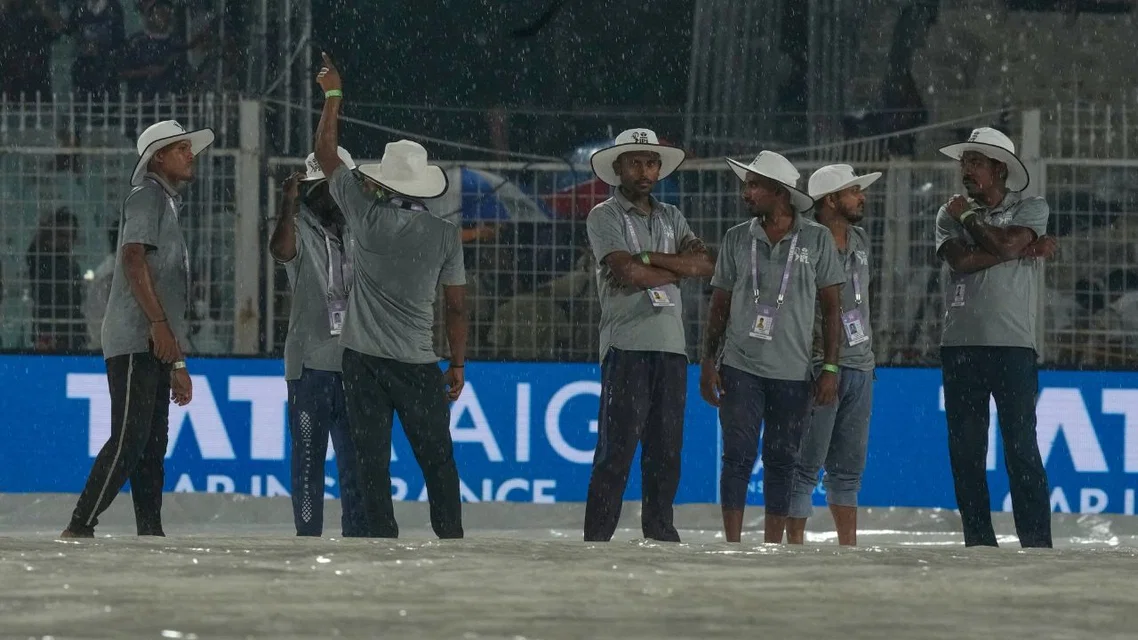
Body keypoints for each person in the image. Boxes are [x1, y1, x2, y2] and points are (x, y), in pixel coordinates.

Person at [313, 53, 467, 539]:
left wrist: (333, 98)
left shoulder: (364, 213)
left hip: (362, 360)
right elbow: (457, 305)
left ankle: (382, 540)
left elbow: (325, 156)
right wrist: (457, 363)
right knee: (437, 460)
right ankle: (450, 538)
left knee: (371, 461)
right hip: (417, 363)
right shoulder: (444, 235)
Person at [60, 119, 212, 538]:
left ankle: (150, 531)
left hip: (152, 338)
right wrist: (160, 327)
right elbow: (132, 259)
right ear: (158, 157)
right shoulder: (147, 194)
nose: (190, 154)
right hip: (136, 336)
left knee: (150, 446)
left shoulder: (163, 202)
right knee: (131, 438)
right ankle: (80, 524)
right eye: (181, 148)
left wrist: (176, 359)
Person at [700, 151, 844, 544]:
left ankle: (771, 545)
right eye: (745, 184)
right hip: (740, 366)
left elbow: (833, 308)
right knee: (737, 456)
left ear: (778, 192)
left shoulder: (816, 239)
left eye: (754, 185)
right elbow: (719, 305)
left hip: (794, 371)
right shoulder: (735, 237)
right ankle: (731, 542)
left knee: (782, 461)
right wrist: (708, 360)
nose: (745, 192)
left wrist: (830, 367)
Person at [582, 127, 715, 542]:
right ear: (618, 167)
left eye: (652, 162)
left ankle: (660, 535)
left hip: (673, 350)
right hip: (627, 347)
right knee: (616, 453)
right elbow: (628, 272)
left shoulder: (672, 216)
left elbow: (704, 266)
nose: (645, 170)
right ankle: (597, 541)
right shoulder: (604, 215)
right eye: (636, 162)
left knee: (666, 453)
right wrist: (673, 266)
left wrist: (647, 258)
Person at [935, 126, 1060, 548]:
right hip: (960, 347)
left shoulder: (1032, 206)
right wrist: (1018, 249)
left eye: (975, 163)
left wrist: (972, 221)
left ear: (999, 169)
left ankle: (1037, 543)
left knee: (1021, 449)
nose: (966, 171)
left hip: (1013, 346)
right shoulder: (946, 213)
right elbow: (963, 262)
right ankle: (979, 543)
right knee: (966, 454)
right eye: (964, 162)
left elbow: (993, 247)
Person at [269, 147, 366, 537]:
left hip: (356, 364)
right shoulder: (299, 227)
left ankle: (358, 535)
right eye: (327, 187)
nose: (337, 195)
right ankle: (307, 537)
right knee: (308, 461)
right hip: (311, 367)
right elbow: (280, 250)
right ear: (312, 188)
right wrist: (288, 205)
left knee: (356, 463)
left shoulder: (356, 229)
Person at [785, 164, 882, 546]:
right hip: (817, 364)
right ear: (830, 200)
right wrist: (822, 362)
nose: (862, 197)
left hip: (860, 363)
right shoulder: (803, 242)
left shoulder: (860, 240)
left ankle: (848, 549)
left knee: (848, 471)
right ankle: (793, 547)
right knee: (805, 465)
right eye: (854, 191)